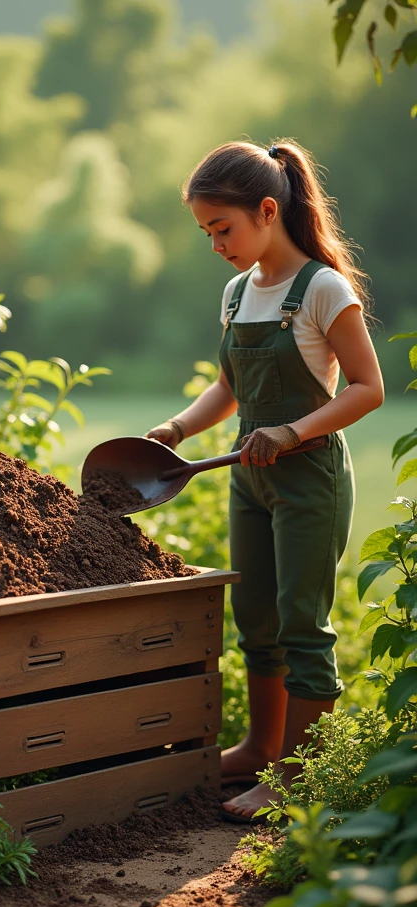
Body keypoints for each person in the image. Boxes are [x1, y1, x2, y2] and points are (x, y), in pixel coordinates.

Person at [147, 139, 384, 822]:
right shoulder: (235, 292)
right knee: (255, 620)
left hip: (308, 477)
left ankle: (299, 778)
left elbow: (369, 389)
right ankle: (260, 748)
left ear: (268, 210)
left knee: (302, 625)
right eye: (206, 233)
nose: (215, 244)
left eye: (223, 229)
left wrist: (290, 431)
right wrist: (176, 431)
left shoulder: (323, 289)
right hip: (246, 478)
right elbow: (228, 385)